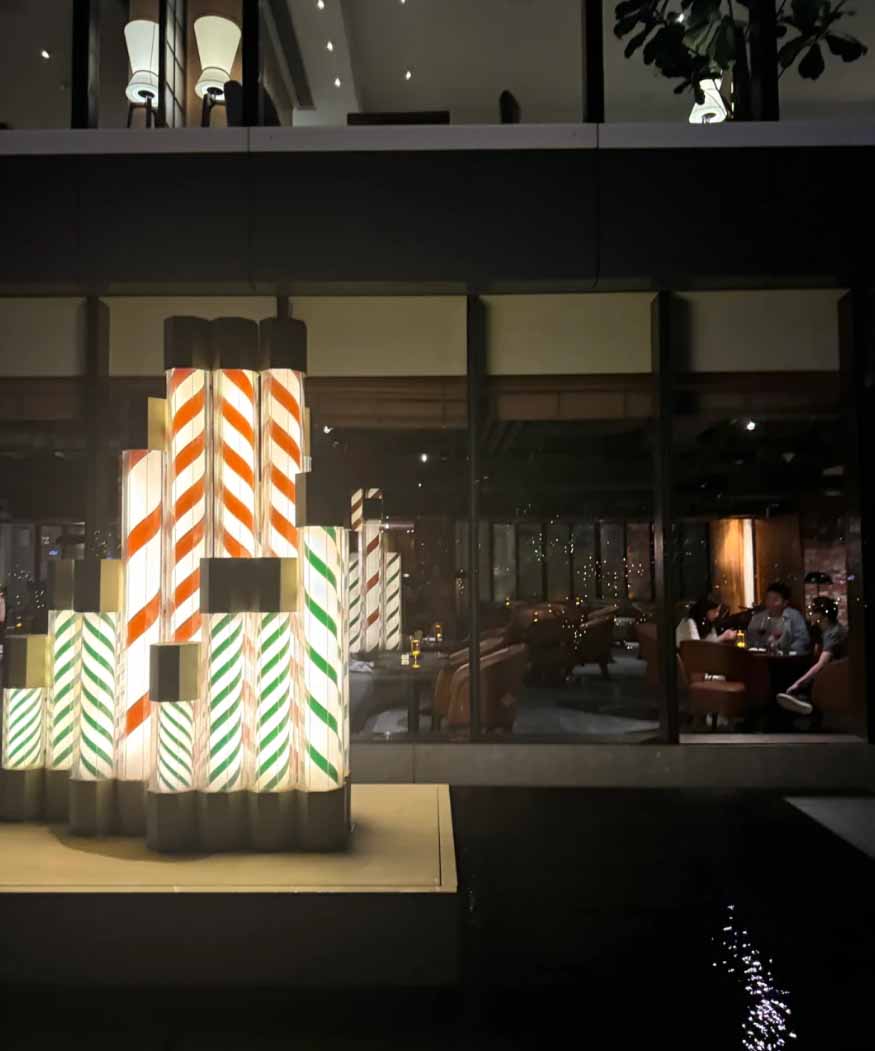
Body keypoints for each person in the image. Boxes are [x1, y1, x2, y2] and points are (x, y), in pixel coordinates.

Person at [777, 596, 847, 716]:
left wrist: (798, 683)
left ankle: (804, 700)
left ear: (823, 616)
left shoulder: (833, 632)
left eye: (813, 612)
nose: (810, 614)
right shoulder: (820, 630)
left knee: (806, 674)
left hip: (836, 674)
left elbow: (822, 663)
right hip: (830, 671)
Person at [745, 581, 810, 654]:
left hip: (788, 658)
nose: (770, 603)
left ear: (785, 603)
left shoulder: (794, 616)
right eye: (768, 598)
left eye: (775, 600)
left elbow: (802, 639)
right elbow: (750, 640)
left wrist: (788, 650)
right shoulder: (758, 618)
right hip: (763, 657)